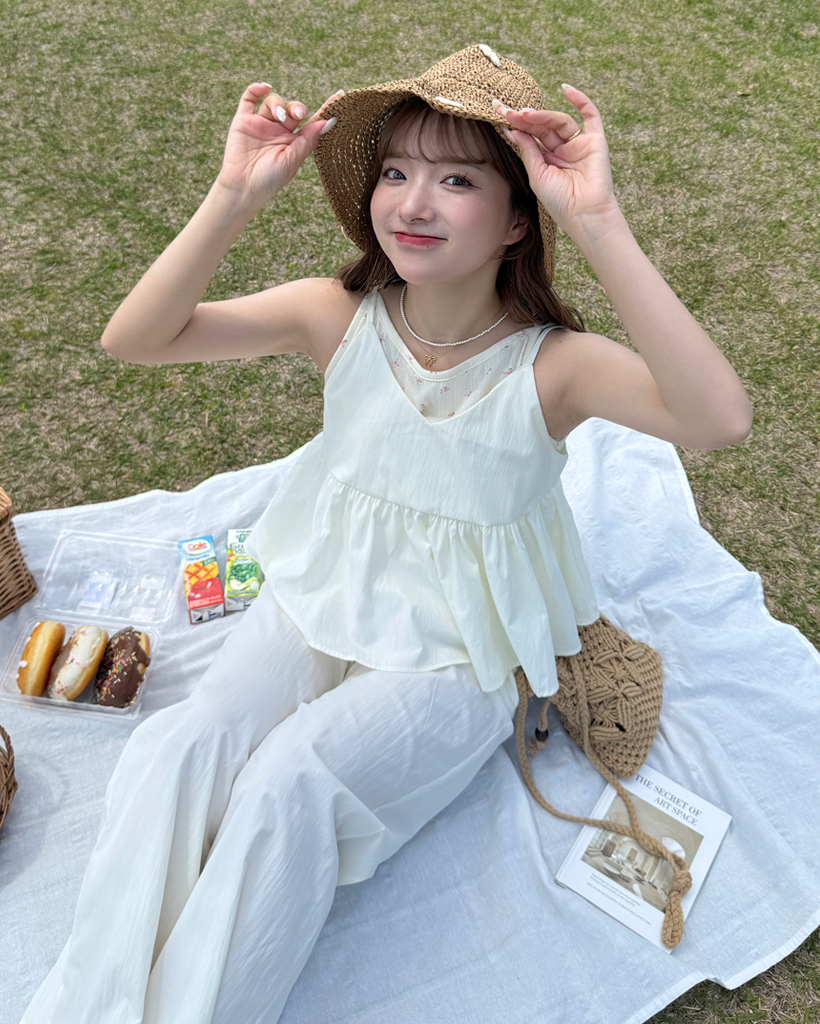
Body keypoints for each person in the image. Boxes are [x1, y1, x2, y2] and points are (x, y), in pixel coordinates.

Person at [20, 45, 753, 1024]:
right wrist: (235, 194)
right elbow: (136, 338)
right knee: (182, 745)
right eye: (397, 171)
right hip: (327, 585)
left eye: (458, 180)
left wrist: (598, 220)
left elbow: (717, 418)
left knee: (287, 785)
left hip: (463, 644)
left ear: (518, 220)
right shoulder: (338, 315)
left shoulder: (555, 367)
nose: (413, 201)